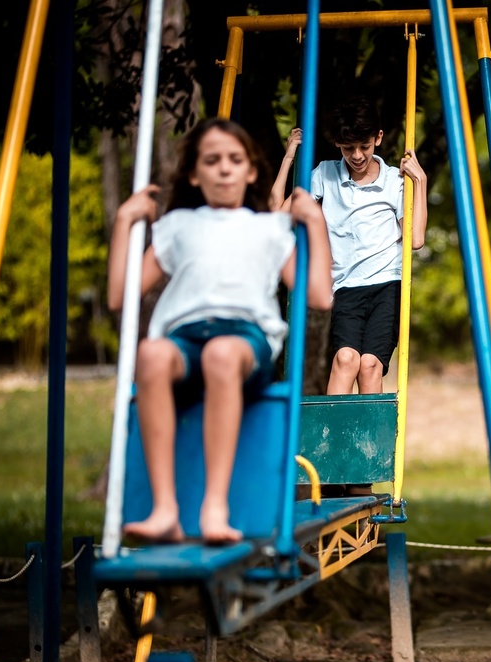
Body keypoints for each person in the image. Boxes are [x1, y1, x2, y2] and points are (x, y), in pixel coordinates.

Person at [107, 117, 334, 545]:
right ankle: (165, 510)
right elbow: (122, 294)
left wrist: (315, 224)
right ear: (195, 174)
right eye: (212, 161)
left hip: (245, 341)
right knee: (151, 353)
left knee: (222, 353)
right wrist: (124, 221)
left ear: (251, 171)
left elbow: (319, 295)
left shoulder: (269, 227)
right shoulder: (178, 225)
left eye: (234, 159)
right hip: (186, 338)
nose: (224, 168)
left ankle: (215, 507)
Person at [311, 95, 428, 395]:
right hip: (346, 286)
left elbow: (415, 239)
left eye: (364, 146)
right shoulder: (325, 174)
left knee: (370, 365)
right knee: (345, 359)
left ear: (378, 138)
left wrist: (420, 181)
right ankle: (335, 427)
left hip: (387, 285)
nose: (357, 155)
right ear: (337, 143)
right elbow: (286, 212)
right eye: (348, 148)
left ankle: (368, 428)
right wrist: (288, 160)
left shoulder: (394, 181)